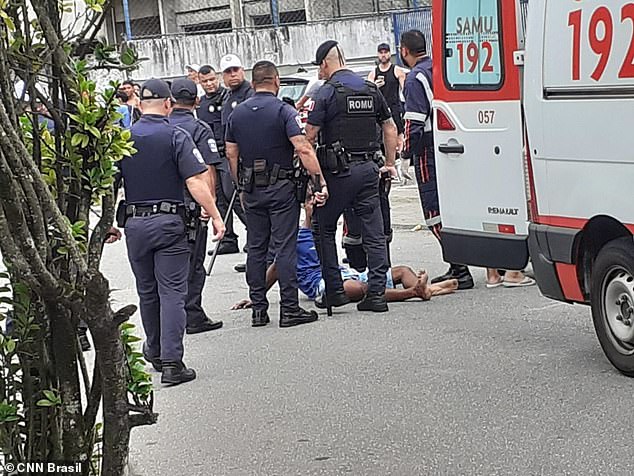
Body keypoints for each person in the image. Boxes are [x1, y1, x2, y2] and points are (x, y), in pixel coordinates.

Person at [117, 78, 225, 386]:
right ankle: (173, 363)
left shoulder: (124, 138)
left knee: (147, 291)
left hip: (135, 225)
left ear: (139, 103)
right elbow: (195, 182)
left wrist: (110, 225)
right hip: (169, 226)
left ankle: (154, 351)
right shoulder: (175, 136)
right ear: (167, 104)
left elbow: (109, 184)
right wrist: (216, 216)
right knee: (173, 293)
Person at [225, 60, 328, 328]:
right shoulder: (284, 111)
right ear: (276, 81)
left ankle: (259, 309)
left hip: (252, 190)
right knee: (284, 247)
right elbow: (303, 148)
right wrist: (319, 182)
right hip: (281, 188)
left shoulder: (237, 114)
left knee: (256, 248)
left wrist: (240, 184)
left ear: (253, 81)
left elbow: (231, 153)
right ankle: (289, 309)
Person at [305, 40, 398, 313]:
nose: (319, 73)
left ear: (325, 63)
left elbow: (309, 137)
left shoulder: (326, 93)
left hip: (337, 173)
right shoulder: (370, 88)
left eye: (318, 67)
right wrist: (390, 164)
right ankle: (377, 294)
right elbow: (390, 127)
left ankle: (334, 291)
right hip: (370, 170)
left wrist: (316, 179)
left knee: (323, 228)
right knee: (374, 233)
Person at [231, 199, 458, 310]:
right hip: (321, 284)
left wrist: (310, 209)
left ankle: (423, 290)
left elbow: (309, 222)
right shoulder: (283, 247)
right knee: (356, 289)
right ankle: (415, 292)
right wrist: (256, 297)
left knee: (402, 271)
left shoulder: (303, 232)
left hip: (345, 271)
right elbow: (276, 270)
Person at [400, 30, 474, 290]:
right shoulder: (441, 68)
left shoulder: (414, 78)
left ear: (403, 50)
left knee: (433, 210)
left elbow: (414, 122)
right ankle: (460, 264)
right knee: (454, 205)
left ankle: (460, 267)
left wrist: (405, 155)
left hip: (427, 149)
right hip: (454, 142)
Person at [168, 78, 225, 334]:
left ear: (170, 101)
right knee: (194, 263)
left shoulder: (163, 126)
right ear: (197, 101)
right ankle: (192, 314)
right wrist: (210, 205)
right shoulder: (199, 128)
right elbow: (208, 169)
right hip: (192, 204)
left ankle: (173, 315)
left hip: (167, 205)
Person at [198, 64, 246, 256]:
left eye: (211, 79)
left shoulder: (228, 97)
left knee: (231, 193)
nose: (209, 84)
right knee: (217, 197)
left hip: (227, 153)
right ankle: (228, 238)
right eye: (205, 81)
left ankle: (255, 233)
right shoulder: (200, 103)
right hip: (210, 155)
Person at [217, 54, 254, 262]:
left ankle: (258, 242)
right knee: (228, 196)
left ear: (242, 70)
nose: (233, 75)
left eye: (235, 70)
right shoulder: (227, 96)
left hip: (245, 157)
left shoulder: (249, 93)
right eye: (228, 72)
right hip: (229, 156)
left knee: (242, 201)